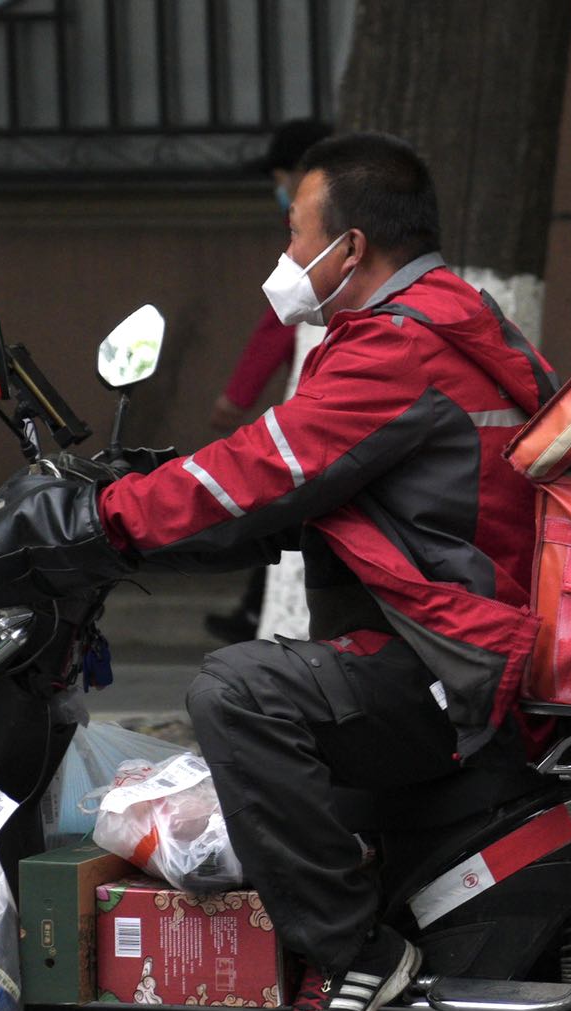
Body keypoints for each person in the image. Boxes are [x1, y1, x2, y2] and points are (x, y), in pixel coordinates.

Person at [0, 133, 556, 1011]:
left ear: (349, 248)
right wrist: (155, 492)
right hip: (460, 633)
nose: (285, 256)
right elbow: (297, 481)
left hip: (450, 657)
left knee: (238, 692)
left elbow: (261, 471)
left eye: (294, 231)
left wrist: (99, 520)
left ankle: (355, 952)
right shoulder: (450, 321)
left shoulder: (397, 346)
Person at [202, 119, 331, 647]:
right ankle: (259, 605)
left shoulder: (322, 239)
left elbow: (279, 321)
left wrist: (239, 394)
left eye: (280, 176)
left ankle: (261, 609)